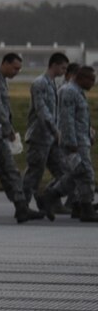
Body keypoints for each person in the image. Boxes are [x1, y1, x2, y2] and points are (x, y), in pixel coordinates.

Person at [0, 51, 38, 222]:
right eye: (15, 68)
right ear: (5, 63)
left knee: (11, 172)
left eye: (19, 69)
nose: (16, 72)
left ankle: (21, 208)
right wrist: (8, 127)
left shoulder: (1, 79)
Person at [35, 64, 96, 221]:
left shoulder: (77, 92)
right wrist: (71, 143)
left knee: (75, 175)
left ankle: (50, 197)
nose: (93, 83)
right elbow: (66, 119)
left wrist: (89, 134)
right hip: (75, 143)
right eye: (91, 80)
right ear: (81, 78)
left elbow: (79, 118)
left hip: (81, 140)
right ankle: (87, 210)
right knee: (86, 173)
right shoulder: (69, 91)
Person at [24, 52, 70, 205]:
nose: (64, 72)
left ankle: (51, 201)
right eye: (63, 68)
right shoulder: (40, 83)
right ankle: (22, 205)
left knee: (63, 171)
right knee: (34, 174)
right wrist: (55, 130)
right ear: (54, 65)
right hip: (40, 136)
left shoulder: (52, 83)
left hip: (51, 137)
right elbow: (42, 110)